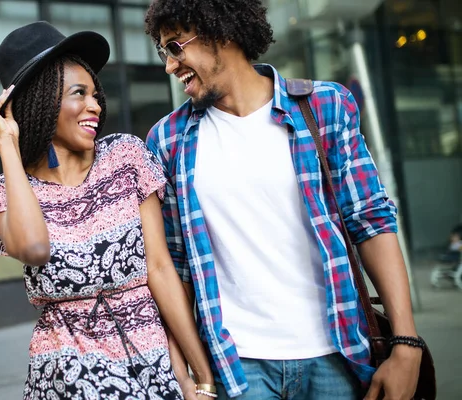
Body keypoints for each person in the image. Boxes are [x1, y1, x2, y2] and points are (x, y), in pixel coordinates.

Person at [143, 1, 423, 399]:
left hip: (337, 357)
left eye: (175, 47)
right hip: (237, 367)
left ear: (219, 31)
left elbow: (371, 221)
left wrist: (406, 344)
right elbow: (176, 268)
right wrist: (189, 375)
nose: (170, 66)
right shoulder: (168, 140)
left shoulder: (325, 107)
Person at [0, 21, 215, 400]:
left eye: (95, 94)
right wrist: (8, 145)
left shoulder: (125, 156)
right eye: (78, 94)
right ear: (42, 100)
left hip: (152, 359)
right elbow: (36, 249)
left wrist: (199, 378)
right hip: (68, 371)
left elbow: (160, 269)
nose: (95, 106)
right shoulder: (8, 193)